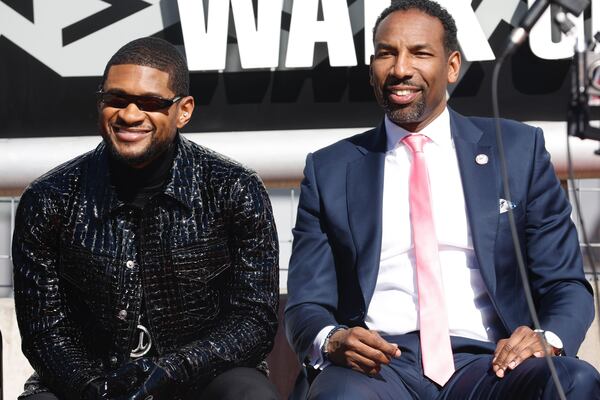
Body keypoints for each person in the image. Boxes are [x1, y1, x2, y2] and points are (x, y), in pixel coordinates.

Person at [284, 1, 600, 399]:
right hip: (378, 367)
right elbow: (305, 305)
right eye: (386, 53)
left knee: (573, 381)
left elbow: (566, 284)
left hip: (492, 362)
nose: (400, 69)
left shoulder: (517, 151)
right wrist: (333, 338)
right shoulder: (331, 169)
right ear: (371, 69)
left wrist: (546, 338)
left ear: (452, 66)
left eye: (420, 53)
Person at [13, 37, 280, 400]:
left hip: (201, 379)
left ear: (183, 111)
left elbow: (255, 320)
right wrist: (95, 387)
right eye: (116, 99)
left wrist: (175, 367)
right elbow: (44, 332)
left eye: (151, 103)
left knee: (250, 393)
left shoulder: (234, 190)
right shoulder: (48, 200)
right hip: (83, 385)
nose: (130, 115)